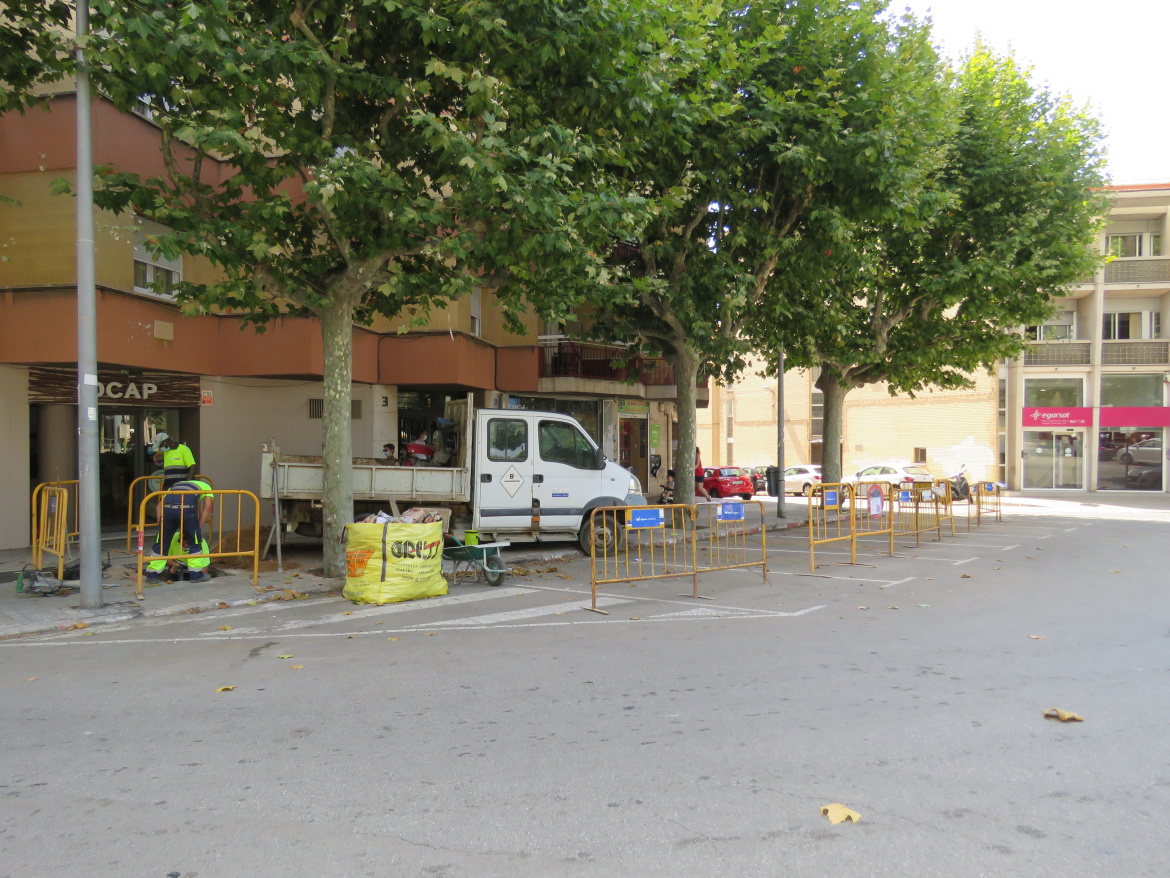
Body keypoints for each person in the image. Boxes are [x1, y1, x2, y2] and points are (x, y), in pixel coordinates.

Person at [147, 478, 214, 583]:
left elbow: (159, 506)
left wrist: (161, 524)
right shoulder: (206, 486)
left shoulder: (175, 486)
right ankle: (196, 576)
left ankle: (152, 575)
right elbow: (207, 506)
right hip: (187, 509)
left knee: (161, 543)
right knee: (195, 542)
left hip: (167, 510)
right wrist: (198, 526)